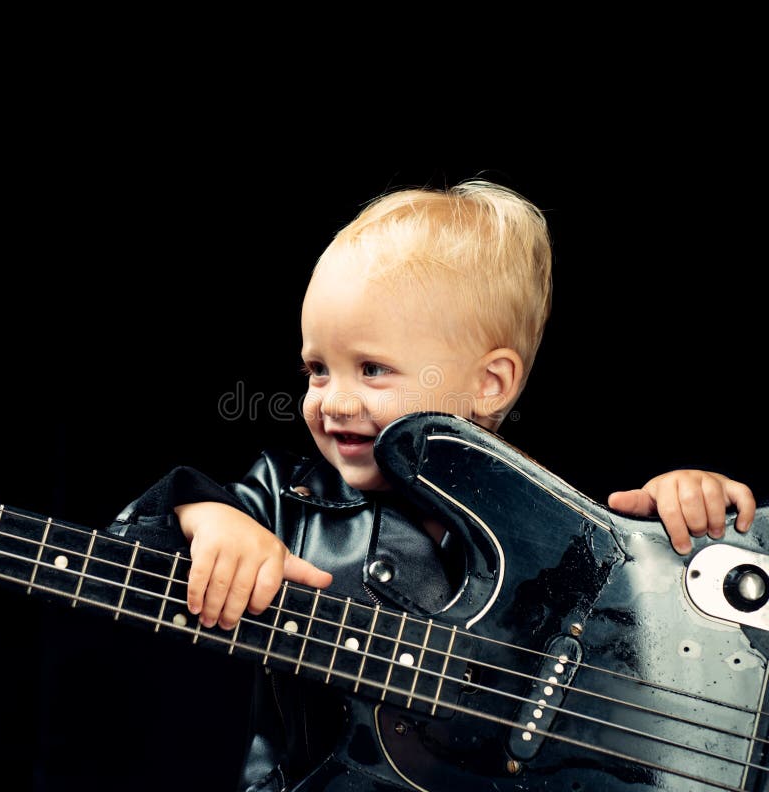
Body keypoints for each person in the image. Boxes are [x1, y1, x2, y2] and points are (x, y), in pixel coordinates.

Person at [109, 180, 756, 791]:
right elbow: (130, 552)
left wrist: (681, 529)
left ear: (491, 384)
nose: (332, 401)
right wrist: (205, 517)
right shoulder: (286, 501)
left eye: (371, 368)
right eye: (317, 370)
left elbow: (652, 641)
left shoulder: (546, 523)